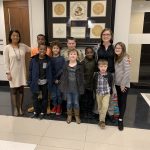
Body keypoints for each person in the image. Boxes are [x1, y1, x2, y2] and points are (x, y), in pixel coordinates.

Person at [4, 29, 31, 116]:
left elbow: (32, 50)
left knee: (21, 91)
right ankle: (15, 108)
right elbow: (6, 62)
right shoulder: (7, 48)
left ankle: (20, 108)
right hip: (12, 73)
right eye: (14, 35)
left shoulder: (23, 46)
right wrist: (8, 73)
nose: (15, 37)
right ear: (10, 37)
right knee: (14, 91)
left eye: (17, 35)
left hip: (21, 72)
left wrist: (43, 47)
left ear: (19, 37)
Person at [28, 34, 52, 114]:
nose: (41, 41)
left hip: (45, 77)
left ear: (44, 40)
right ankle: (35, 107)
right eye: (39, 39)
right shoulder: (33, 50)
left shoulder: (49, 50)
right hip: (36, 77)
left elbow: (49, 62)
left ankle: (46, 107)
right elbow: (32, 64)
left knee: (45, 94)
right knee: (35, 94)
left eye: (42, 39)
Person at [59, 48, 84, 124]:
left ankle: (77, 116)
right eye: (71, 54)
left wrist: (82, 87)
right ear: (68, 56)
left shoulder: (80, 65)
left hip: (76, 88)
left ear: (77, 56)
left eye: (74, 54)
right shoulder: (65, 64)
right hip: (68, 88)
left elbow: (82, 77)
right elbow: (63, 76)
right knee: (69, 102)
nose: (73, 55)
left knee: (76, 102)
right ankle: (69, 115)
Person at [97, 28, 115, 122]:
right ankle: (100, 113)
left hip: (111, 74)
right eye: (104, 34)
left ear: (111, 36)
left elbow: (121, 55)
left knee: (110, 93)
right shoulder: (98, 47)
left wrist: (128, 58)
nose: (105, 36)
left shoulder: (114, 47)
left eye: (107, 34)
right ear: (101, 36)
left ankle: (110, 113)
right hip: (100, 74)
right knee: (99, 94)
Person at [114, 42, 130, 131]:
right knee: (119, 101)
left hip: (124, 85)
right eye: (116, 48)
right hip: (117, 84)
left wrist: (123, 84)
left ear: (123, 49)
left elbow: (127, 72)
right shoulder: (117, 58)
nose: (117, 49)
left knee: (123, 101)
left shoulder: (125, 58)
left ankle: (121, 120)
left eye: (119, 48)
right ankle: (120, 115)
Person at [93, 59, 113, 129]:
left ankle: (102, 121)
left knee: (105, 106)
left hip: (106, 93)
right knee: (100, 107)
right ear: (98, 67)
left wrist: (111, 92)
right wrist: (95, 92)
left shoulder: (109, 75)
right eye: (101, 66)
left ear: (107, 67)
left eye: (105, 66)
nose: (103, 68)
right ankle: (101, 119)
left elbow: (110, 84)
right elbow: (94, 84)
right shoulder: (96, 75)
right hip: (99, 93)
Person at [81, 47, 96, 119]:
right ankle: (84, 112)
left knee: (90, 99)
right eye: (88, 52)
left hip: (92, 84)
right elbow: (81, 74)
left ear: (93, 53)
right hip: (84, 84)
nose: (90, 54)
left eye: (91, 52)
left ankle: (89, 112)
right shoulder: (83, 62)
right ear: (85, 54)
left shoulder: (95, 61)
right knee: (84, 99)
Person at [50, 40, 65, 115]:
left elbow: (63, 69)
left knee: (59, 94)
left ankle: (59, 107)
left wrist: (58, 79)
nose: (55, 49)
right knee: (53, 95)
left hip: (60, 81)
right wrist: (54, 79)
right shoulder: (49, 59)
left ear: (59, 49)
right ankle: (54, 106)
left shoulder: (62, 59)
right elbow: (49, 71)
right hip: (52, 81)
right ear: (52, 49)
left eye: (57, 48)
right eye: (54, 48)